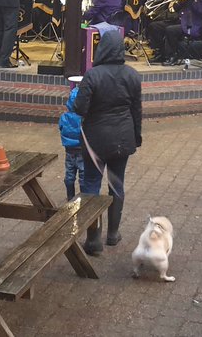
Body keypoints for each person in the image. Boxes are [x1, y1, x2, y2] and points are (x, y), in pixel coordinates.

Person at [74, 30, 142, 255]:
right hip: (123, 138)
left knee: (91, 184)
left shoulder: (92, 75)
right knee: (116, 183)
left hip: (95, 139)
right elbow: (136, 111)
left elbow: (80, 108)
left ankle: (93, 239)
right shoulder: (132, 75)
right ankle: (113, 234)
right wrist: (137, 136)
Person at [60, 84, 85, 201]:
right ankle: (84, 197)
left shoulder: (64, 117)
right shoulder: (84, 118)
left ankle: (70, 196)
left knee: (69, 175)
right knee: (83, 175)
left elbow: (61, 128)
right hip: (82, 150)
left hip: (69, 150)